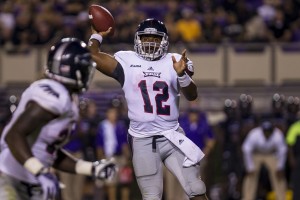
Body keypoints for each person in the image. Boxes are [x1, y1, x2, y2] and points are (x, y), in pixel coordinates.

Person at [88, 18, 208, 200]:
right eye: (145, 37)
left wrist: (182, 75)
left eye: (155, 38)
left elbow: (192, 96)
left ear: (164, 41)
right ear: (138, 39)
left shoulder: (174, 61)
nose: (150, 41)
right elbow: (92, 55)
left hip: (172, 136)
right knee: (151, 196)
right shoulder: (127, 61)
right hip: (142, 140)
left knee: (196, 188)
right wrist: (97, 35)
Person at [0, 37, 116, 200]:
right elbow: (13, 135)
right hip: (10, 178)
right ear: (71, 69)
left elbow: (49, 152)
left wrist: (91, 168)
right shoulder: (54, 96)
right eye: (85, 67)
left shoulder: (68, 99)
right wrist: (40, 172)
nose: (87, 72)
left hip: (30, 181)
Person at [241, 119, 287, 200]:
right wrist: (249, 167)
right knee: (251, 175)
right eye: (265, 131)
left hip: (271, 154)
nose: (267, 133)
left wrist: (280, 167)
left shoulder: (277, 134)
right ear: (262, 130)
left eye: (269, 131)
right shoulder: (255, 134)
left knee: (278, 174)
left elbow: (282, 151)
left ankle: (281, 198)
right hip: (256, 154)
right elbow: (246, 149)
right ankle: (247, 198)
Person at [286, 120, 300, 200]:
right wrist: (291, 158)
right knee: (297, 182)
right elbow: (289, 144)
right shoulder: (295, 127)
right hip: (298, 158)